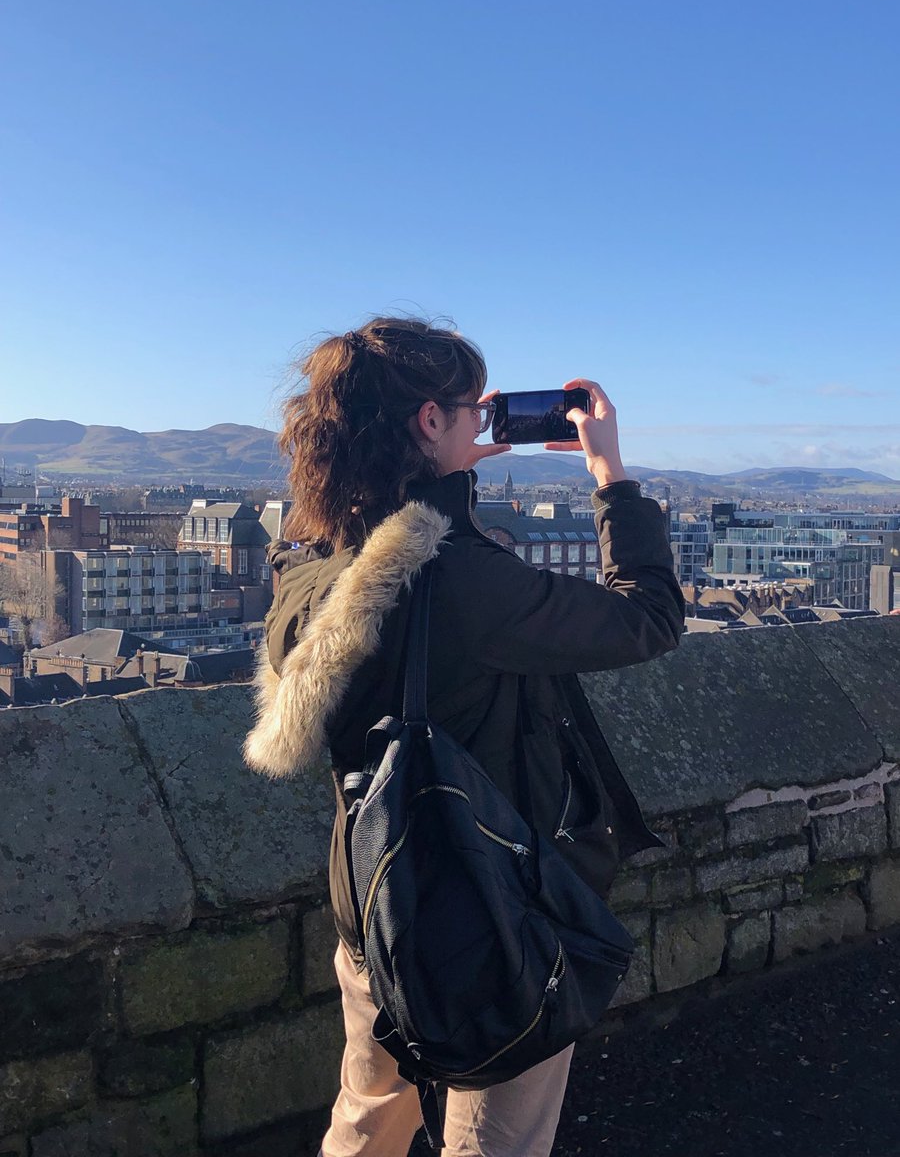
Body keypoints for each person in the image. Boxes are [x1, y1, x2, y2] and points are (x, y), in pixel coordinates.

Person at [244, 317, 684, 1157]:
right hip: (495, 907)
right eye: (467, 410)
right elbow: (649, 618)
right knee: (493, 1142)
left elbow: (394, 567)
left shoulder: (305, 557)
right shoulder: (458, 578)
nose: (482, 421)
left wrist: (439, 473)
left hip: (377, 897)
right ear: (427, 420)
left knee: (368, 1116)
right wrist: (610, 475)